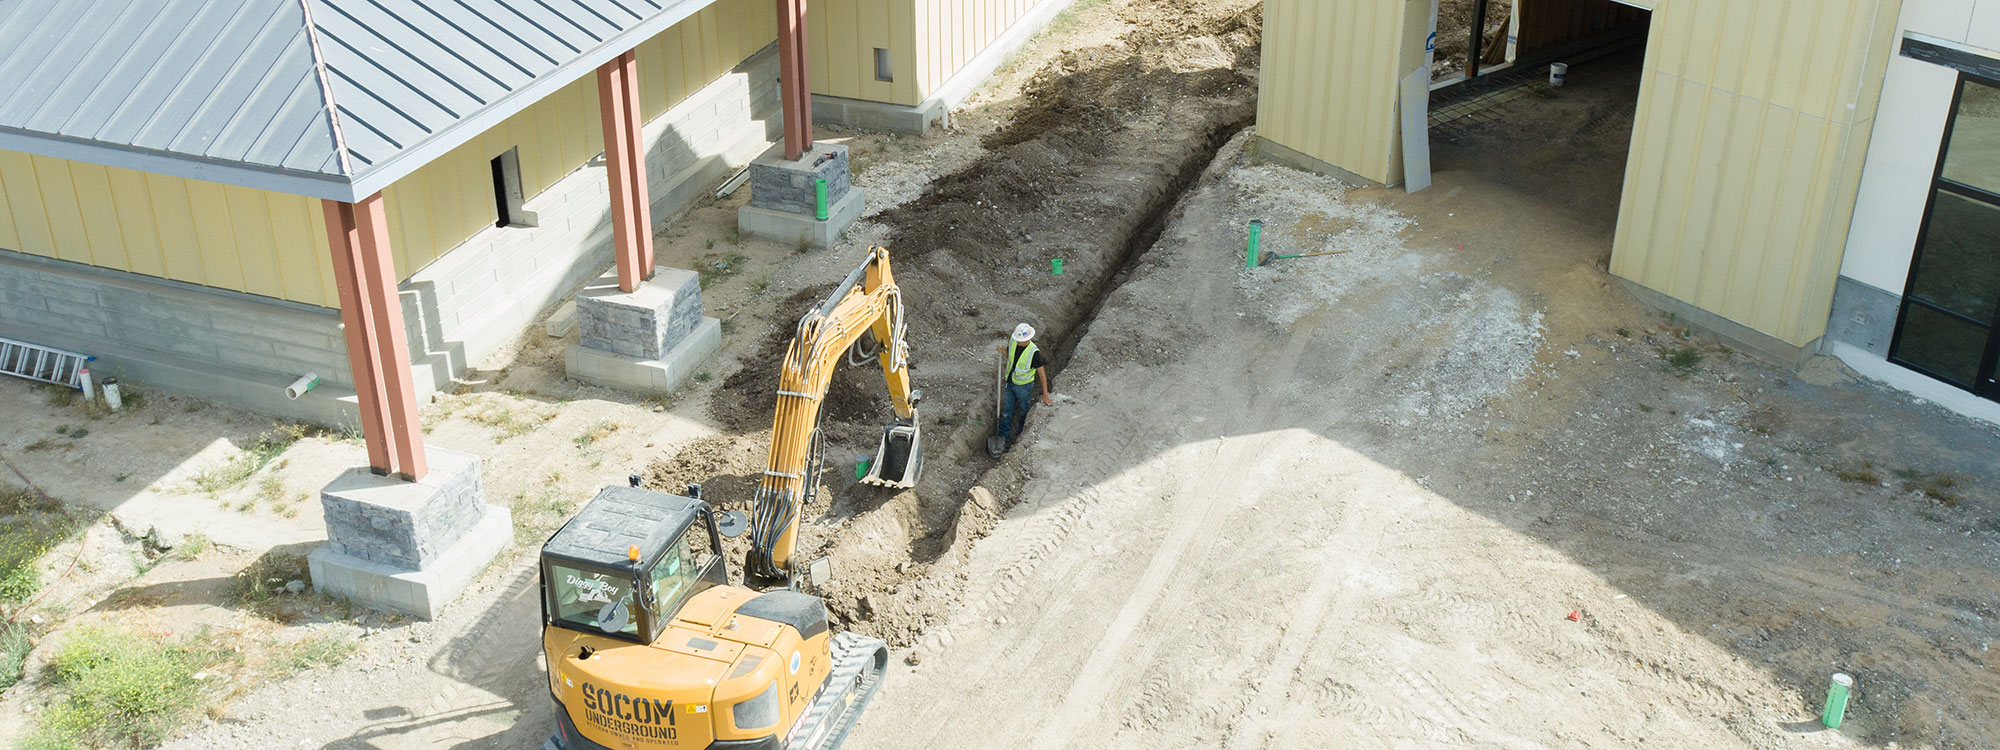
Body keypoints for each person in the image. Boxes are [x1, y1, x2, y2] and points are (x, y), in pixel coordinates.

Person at [997, 323, 1051, 447]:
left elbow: (1042, 374)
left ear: (1028, 339)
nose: (1018, 342)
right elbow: (1011, 358)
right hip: (1009, 383)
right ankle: (1003, 438)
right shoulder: (1013, 341)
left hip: (1024, 387)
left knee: (1024, 411)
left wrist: (1045, 394)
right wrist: (1002, 351)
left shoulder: (1033, 352)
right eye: (1017, 340)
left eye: (1020, 341)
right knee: (1006, 411)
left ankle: (1020, 435)